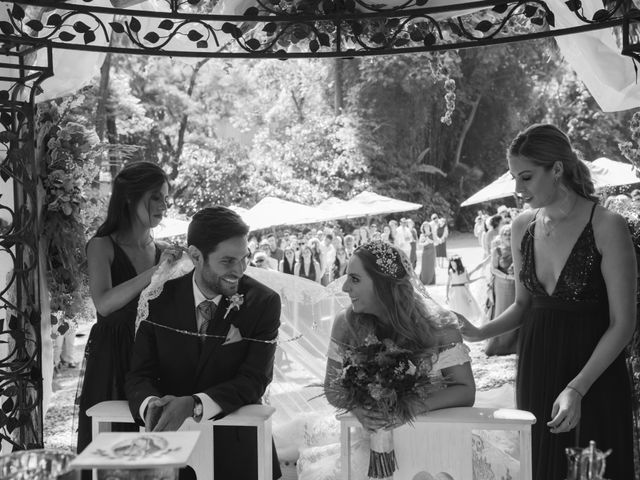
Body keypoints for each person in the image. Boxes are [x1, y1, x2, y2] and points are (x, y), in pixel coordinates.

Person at [459, 124, 636, 480]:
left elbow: (623, 324)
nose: (517, 190)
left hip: (594, 373)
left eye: (525, 177)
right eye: (513, 177)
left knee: (594, 469)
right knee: (543, 465)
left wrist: (577, 387)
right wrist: (479, 331)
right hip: (537, 367)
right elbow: (524, 306)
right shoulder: (522, 226)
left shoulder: (607, 226)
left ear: (556, 169)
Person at [125, 206, 282, 480]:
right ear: (196, 256)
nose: (239, 270)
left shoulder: (263, 302)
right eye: (227, 261)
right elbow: (139, 374)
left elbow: (255, 378)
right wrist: (150, 404)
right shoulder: (157, 299)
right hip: (172, 455)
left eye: (243, 259)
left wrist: (195, 404)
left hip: (237, 453)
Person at [317, 241, 474, 478]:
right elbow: (332, 387)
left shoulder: (439, 326)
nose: (345, 287)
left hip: (433, 445)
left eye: (355, 279)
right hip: (369, 445)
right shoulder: (345, 324)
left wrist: (405, 410)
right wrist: (359, 408)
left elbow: (465, 391)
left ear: (384, 285)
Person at [76, 161, 179, 459]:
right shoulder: (101, 246)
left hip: (155, 357)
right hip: (112, 356)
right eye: (156, 197)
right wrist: (154, 273)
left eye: (165, 197)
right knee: (113, 447)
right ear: (131, 197)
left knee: (155, 445)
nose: (164, 205)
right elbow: (104, 304)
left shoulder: (164, 250)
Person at [445, 255, 483, 323]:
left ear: (458, 263)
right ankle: (457, 321)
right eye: (451, 264)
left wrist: (479, 278)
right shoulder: (451, 272)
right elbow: (447, 284)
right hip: (454, 292)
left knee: (465, 305)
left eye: (454, 264)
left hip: (463, 291)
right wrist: (446, 295)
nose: (453, 265)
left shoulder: (464, 270)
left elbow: (468, 281)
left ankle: (464, 321)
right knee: (456, 307)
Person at [418, 220, 436, 285]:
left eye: (427, 226)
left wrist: (429, 240)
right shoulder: (422, 235)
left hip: (432, 251)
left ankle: (431, 281)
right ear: (423, 228)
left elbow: (435, 241)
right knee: (424, 266)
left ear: (429, 227)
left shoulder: (432, 233)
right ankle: (424, 281)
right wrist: (426, 242)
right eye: (425, 227)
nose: (426, 228)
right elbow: (420, 244)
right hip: (425, 252)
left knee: (431, 266)